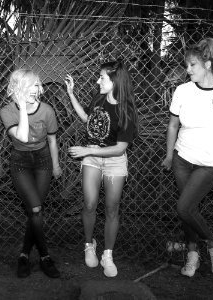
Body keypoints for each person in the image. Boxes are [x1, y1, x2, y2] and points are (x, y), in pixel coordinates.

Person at [161, 38, 213, 277]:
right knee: (188, 209)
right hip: (182, 158)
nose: (187, 70)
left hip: (211, 162)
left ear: (207, 64)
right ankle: (193, 255)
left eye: (192, 65)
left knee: (184, 208)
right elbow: (173, 125)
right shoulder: (183, 91)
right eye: (187, 65)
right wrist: (168, 154)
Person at [64, 61, 138, 277]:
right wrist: (71, 94)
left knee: (112, 208)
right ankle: (89, 245)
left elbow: (120, 148)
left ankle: (108, 254)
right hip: (92, 159)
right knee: (89, 204)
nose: (98, 81)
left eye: (102, 78)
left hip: (113, 160)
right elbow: (88, 119)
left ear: (115, 81)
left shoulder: (127, 110)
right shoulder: (98, 99)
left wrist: (88, 151)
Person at [0, 69, 62, 278]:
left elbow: (52, 139)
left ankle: (24, 255)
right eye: (31, 85)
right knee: (35, 208)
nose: (36, 89)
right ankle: (45, 257)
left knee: (35, 212)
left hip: (43, 160)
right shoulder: (7, 111)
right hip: (21, 163)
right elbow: (23, 138)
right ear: (18, 88)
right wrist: (24, 109)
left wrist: (55, 165)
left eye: (37, 84)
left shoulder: (47, 110)